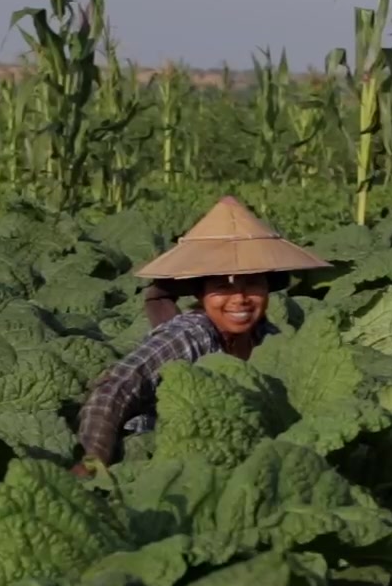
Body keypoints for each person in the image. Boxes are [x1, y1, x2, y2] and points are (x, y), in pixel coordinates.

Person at [73, 196, 329, 470]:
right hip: (156, 462)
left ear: (269, 287)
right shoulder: (190, 335)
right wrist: (92, 463)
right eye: (223, 286)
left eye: (253, 283)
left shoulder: (268, 336)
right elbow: (116, 387)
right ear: (200, 292)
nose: (240, 298)